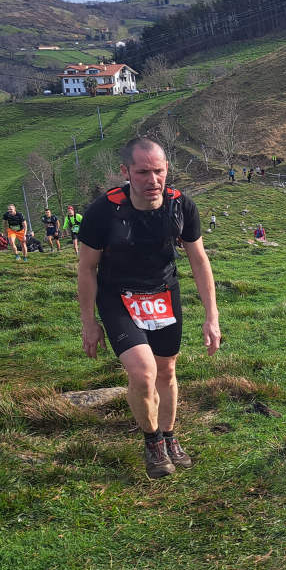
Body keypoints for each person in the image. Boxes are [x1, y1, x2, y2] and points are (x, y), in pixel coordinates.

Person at [77, 137, 221, 479]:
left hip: (163, 294)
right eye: (143, 172)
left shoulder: (180, 205)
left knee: (167, 372)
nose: (152, 180)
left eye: (158, 171)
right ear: (126, 172)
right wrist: (89, 322)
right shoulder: (103, 211)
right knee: (143, 373)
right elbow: (86, 268)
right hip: (119, 297)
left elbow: (199, 262)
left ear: (167, 169)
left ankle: (170, 438)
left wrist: (211, 317)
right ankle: (153, 443)